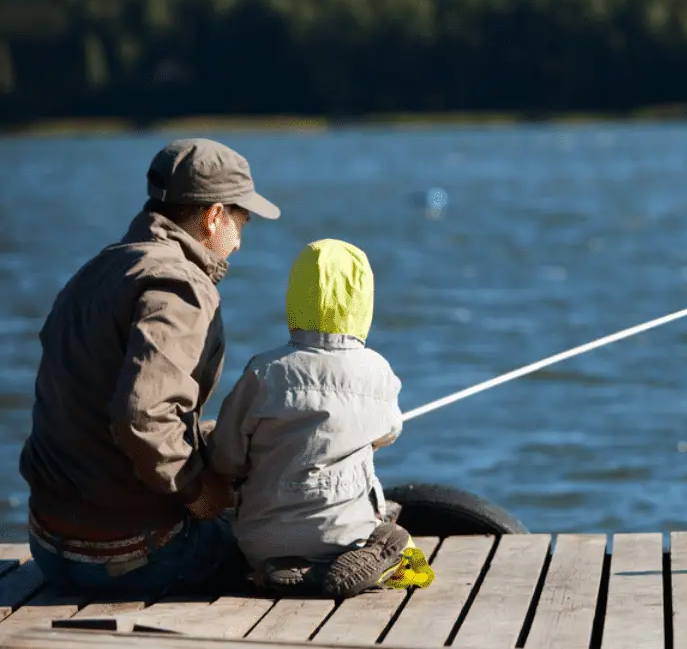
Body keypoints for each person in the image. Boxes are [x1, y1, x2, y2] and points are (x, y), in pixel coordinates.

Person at [20, 137, 281, 596]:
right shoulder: (179, 286)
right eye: (241, 222)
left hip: (50, 547)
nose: (239, 242)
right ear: (215, 215)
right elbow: (142, 417)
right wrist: (199, 496)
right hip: (133, 557)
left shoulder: (98, 271)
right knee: (278, 540)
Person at [207, 238, 432, 598]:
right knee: (418, 566)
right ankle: (376, 561)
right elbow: (390, 432)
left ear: (295, 299)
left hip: (262, 538)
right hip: (346, 533)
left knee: (258, 528)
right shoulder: (377, 371)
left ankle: (288, 570)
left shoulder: (264, 371)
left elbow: (226, 457)